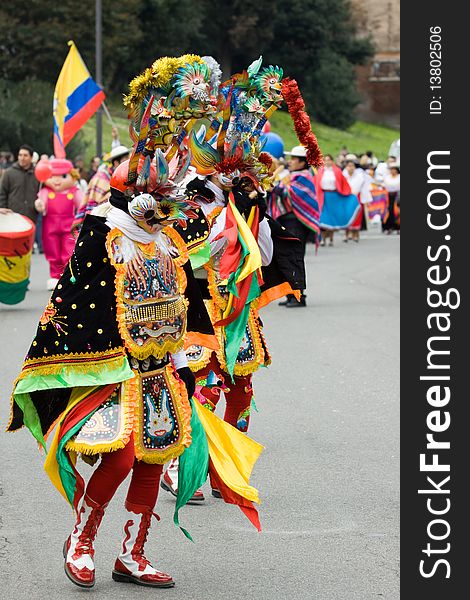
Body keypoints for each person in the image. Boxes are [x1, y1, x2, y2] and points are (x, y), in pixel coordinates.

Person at [7, 54, 264, 590]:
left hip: (162, 363)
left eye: (173, 201)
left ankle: (132, 552)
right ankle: (81, 538)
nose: (169, 210)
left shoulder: (172, 233)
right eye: (160, 201)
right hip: (114, 362)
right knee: (121, 454)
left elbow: (197, 278)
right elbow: (77, 301)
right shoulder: (103, 233)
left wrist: (193, 350)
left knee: (157, 452)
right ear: (131, 198)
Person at [268, 145, 321, 307]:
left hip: (296, 221)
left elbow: (291, 194)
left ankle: (299, 296)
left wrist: (274, 188)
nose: (290, 162)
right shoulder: (292, 176)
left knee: (294, 257)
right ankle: (291, 293)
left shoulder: (303, 177)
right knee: (286, 257)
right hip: (287, 220)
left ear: (302, 162)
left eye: (293, 159)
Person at [34, 158, 84, 289]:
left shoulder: (74, 192)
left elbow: (83, 205)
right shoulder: (45, 192)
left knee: (69, 251)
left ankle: (67, 275)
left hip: (70, 226)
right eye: (52, 176)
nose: (57, 180)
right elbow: (41, 203)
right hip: (50, 227)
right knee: (52, 252)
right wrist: (39, 205)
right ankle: (55, 276)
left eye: (63, 176)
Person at [72, 145, 129, 234]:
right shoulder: (100, 178)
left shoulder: (127, 177)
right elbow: (93, 203)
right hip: (101, 222)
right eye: (125, 160)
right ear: (116, 163)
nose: (127, 163)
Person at [316, 154, 359, 246]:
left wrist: (349, 194)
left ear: (332, 161)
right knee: (323, 218)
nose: (327, 162)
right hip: (323, 197)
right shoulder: (320, 172)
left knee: (332, 219)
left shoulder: (337, 171)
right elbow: (316, 184)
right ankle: (323, 239)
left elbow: (344, 184)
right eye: (325, 160)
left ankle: (331, 239)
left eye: (329, 160)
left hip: (334, 196)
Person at [0, 144, 39, 223]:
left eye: (25, 155)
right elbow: (2, 193)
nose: (22, 158)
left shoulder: (37, 174)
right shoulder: (9, 173)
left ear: (31, 158)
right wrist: (2, 208)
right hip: (12, 216)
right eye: (20, 155)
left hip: (31, 217)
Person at [342, 159, 372, 242]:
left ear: (355, 167)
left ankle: (356, 234)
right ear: (346, 167)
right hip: (346, 197)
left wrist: (366, 200)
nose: (350, 168)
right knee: (346, 215)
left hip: (356, 197)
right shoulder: (343, 176)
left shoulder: (360, 176)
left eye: (352, 166)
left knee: (357, 215)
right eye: (349, 166)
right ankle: (346, 234)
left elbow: (364, 189)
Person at [382, 164, 400, 234]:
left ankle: (398, 227)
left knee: (398, 211)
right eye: (391, 169)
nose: (392, 171)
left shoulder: (399, 177)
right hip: (389, 196)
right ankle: (389, 227)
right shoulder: (387, 177)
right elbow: (384, 185)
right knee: (389, 211)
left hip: (398, 195)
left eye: (394, 169)